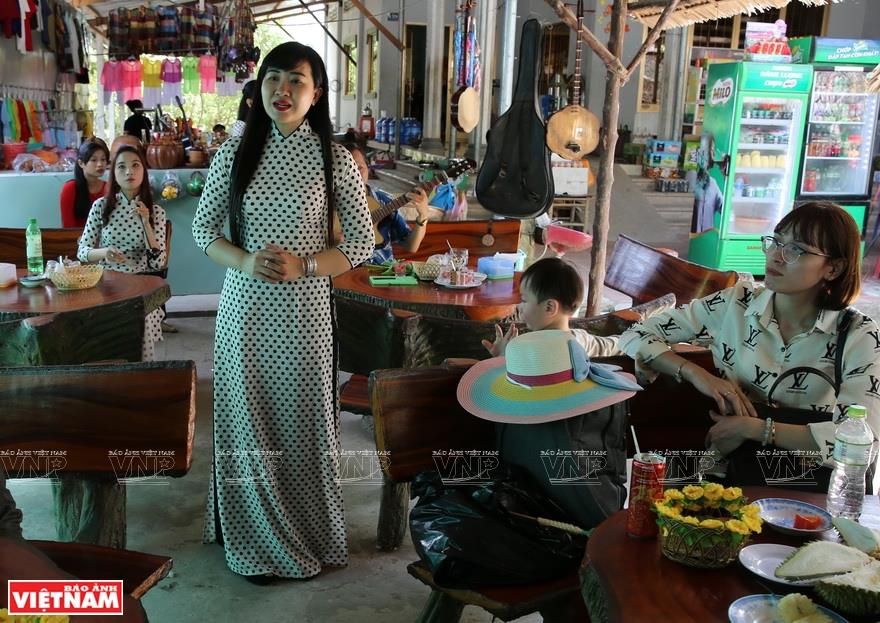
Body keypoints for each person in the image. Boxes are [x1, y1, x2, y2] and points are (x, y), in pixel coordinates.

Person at [192, 42, 373, 582]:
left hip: (306, 317)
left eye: (296, 80)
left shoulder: (333, 158)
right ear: (260, 88)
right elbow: (204, 232)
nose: (283, 90)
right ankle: (251, 534)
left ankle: (308, 533)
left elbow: (362, 243)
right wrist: (246, 261)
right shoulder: (234, 153)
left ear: (316, 93)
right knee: (247, 425)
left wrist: (309, 266)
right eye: (273, 78)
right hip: (244, 315)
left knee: (302, 425)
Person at [619, 201, 880, 474]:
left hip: (806, 485)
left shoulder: (858, 336)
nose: (777, 256)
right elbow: (637, 333)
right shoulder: (736, 303)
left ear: (833, 268)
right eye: (776, 242)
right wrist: (698, 375)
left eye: (796, 249)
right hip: (729, 472)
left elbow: (862, 439)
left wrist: (756, 429)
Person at [78, 145, 167, 361]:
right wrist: (104, 253)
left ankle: (140, 374)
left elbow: (158, 263)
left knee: (141, 322)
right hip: (105, 282)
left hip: (139, 284)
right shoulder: (101, 207)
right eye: (122, 167)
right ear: (114, 174)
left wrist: (146, 222)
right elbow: (82, 252)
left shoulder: (156, 212)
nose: (129, 172)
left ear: (144, 171)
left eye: (135, 165)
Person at [482, 257, 621, 358]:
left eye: (524, 300)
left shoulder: (531, 350)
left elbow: (515, 385)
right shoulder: (581, 339)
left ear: (549, 307)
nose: (519, 306)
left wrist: (502, 358)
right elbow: (614, 345)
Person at [342, 142, 430, 264]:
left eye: (359, 167)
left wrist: (423, 216)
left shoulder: (385, 201)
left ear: (369, 169)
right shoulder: (325, 205)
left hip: (382, 275)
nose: (355, 174)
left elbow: (411, 246)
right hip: (345, 274)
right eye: (347, 169)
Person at [59, 137, 109, 228]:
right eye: (94, 160)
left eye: (103, 159)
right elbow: (68, 227)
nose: (100, 164)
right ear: (81, 163)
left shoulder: (109, 188)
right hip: (77, 239)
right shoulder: (70, 188)